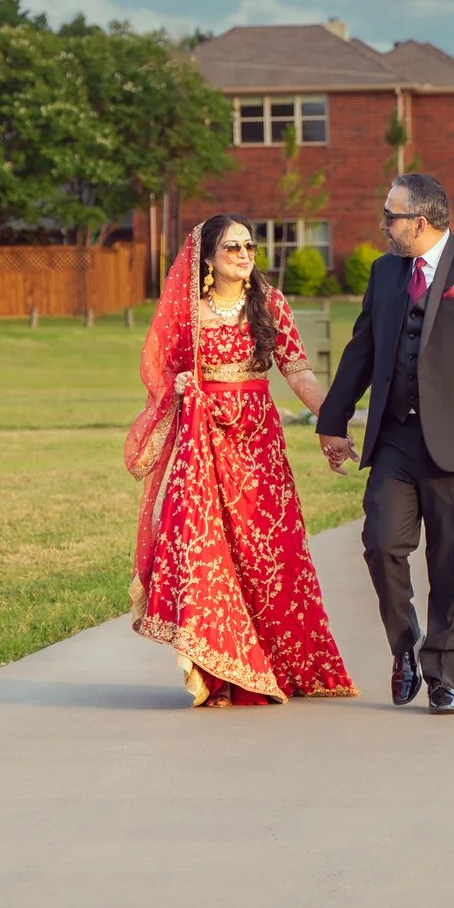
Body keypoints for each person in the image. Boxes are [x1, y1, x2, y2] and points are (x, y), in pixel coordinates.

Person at [126, 216, 359, 707]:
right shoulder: (189, 312)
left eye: (249, 245)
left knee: (267, 553)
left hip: (257, 445)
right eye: (232, 246)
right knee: (208, 555)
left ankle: (281, 663)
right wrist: (181, 388)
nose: (244, 253)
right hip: (204, 443)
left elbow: (298, 374)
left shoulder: (270, 304)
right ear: (207, 258)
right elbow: (159, 371)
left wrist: (331, 424)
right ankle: (220, 674)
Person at [318, 174, 454, 714]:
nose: (384, 225)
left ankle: (443, 672)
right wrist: (333, 421)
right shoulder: (386, 272)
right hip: (394, 441)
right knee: (382, 544)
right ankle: (404, 647)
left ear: (421, 222)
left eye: (392, 216)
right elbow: (361, 350)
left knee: (453, 564)